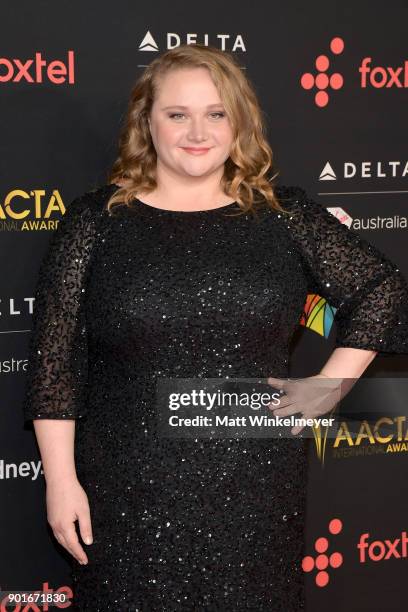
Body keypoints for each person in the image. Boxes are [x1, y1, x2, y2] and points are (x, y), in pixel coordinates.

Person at [23, 43, 408, 611]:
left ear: (239, 122)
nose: (197, 131)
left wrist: (330, 387)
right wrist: (60, 482)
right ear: (146, 123)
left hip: (255, 490)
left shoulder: (284, 216)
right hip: (128, 489)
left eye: (216, 113)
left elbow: (383, 290)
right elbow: (55, 367)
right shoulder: (95, 224)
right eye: (177, 114)